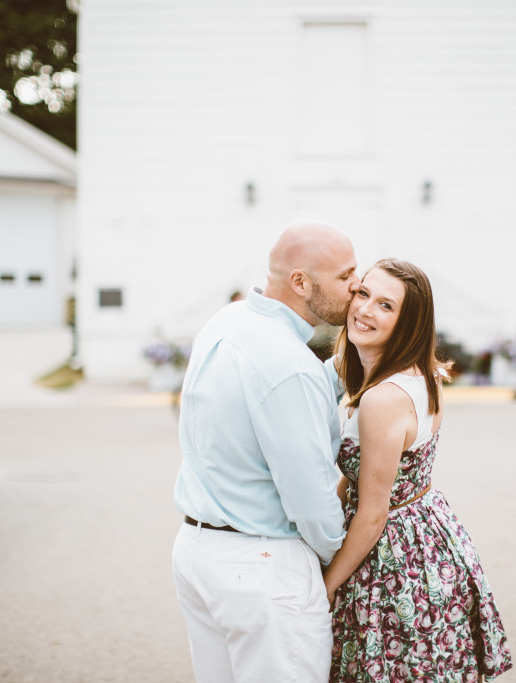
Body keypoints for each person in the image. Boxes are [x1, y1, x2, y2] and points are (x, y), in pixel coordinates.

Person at [172, 220, 361, 683]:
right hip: (261, 571)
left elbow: (282, 390)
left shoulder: (229, 320)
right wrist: (333, 563)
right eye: (345, 276)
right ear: (301, 282)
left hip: (198, 554)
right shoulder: (288, 365)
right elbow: (311, 499)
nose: (357, 287)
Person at [323, 258, 513, 682]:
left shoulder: (383, 399)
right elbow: (361, 477)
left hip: (392, 555)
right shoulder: (420, 375)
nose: (366, 310)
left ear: (408, 324)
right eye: (364, 294)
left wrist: (327, 584)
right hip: (428, 537)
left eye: (386, 306)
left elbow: (373, 512)